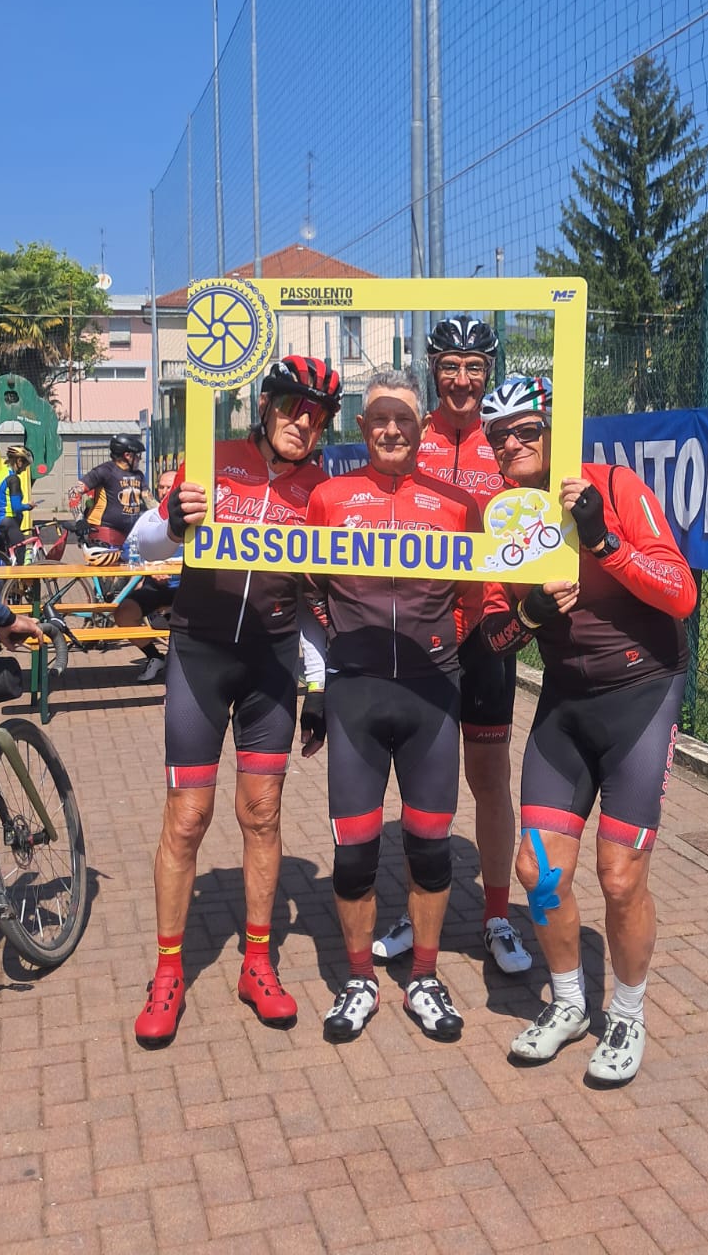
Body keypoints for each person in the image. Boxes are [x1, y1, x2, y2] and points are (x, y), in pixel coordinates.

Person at [479, 374, 697, 1087]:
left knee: (620, 877)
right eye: (498, 436)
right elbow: (494, 637)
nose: (512, 444)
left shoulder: (613, 484)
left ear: (553, 429)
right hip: (567, 702)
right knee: (539, 872)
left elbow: (681, 593)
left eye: (525, 429)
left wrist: (604, 540)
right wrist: (530, 616)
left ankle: (627, 1013)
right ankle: (570, 1003)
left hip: (642, 694)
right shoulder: (505, 517)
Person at [130, 357, 339, 1047]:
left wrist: (318, 684)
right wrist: (172, 520)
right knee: (188, 818)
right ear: (266, 405)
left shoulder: (321, 488)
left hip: (270, 665)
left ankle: (257, 963)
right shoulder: (213, 457)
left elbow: (313, 602)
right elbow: (140, 546)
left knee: (263, 814)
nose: (303, 423)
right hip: (201, 655)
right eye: (293, 407)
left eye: (318, 416)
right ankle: (168, 971)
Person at [305, 368, 482, 1044]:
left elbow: (471, 598)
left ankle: (426, 979)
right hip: (356, 694)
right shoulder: (329, 497)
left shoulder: (455, 503)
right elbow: (310, 585)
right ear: (361, 426)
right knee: (353, 853)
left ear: (421, 427)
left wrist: (441, 645)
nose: (391, 430)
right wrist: (332, 662)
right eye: (379, 418)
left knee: (430, 849)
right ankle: (358, 979)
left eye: (403, 418)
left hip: (431, 695)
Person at [373, 317, 531, 976]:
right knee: (420, 782)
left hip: (489, 630)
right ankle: (418, 913)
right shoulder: (413, 435)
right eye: (449, 366)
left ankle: (496, 915)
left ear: (489, 372)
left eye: (474, 367)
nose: (462, 380)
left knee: (489, 778)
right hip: (424, 626)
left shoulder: (506, 440)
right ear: (432, 369)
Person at [117, 470, 179, 684]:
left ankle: (184, 666)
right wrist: (150, 568)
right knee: (123, 614)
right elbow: (128, 551)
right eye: (161, 487)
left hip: (188, 586)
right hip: (155, 586)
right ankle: (155, 657)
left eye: (169, 486)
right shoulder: (148, 517)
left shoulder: (197, 519)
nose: (164, 491)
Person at [72, 434, 154, 557]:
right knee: (108, 568)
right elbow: (74, 492)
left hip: (131, 533)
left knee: (132, 568)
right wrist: (79, 520)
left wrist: (166, 516)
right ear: (127, 455)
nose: (139, 459)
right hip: (105, 531)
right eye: (137, 455)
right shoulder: (105, 471)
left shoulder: (138, 475)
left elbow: (149, 501)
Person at [0, 446, 35, 556]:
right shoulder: (13, 479)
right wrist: (28, 506)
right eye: (26, 465)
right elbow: (16, 507)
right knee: (20, 550)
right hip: (7, 521)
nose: (25, 469)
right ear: (19, 461)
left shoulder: (0, 474)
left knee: (4, 557)